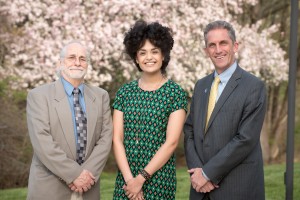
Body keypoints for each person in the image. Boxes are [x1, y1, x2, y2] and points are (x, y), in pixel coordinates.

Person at [184, 20, 267, 200]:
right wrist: (198, 172)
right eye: (212, 45)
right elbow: (189, 130)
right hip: (200, 189)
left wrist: (207, 173)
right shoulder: (201, 86)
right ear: (206, 51)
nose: (218, 50)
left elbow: (245, 139)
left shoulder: (254, 86)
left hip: (237, 187)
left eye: (223, 43)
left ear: (235, 46)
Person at [26, 41, 113, 200]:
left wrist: (87, 174)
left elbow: (106, 137)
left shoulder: (101, 96)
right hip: (50, 187)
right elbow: (42, 141)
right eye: (71, 57)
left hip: (89, 186)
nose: (77, 63)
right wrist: (74, 175)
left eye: (83, 58)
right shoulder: (38, 96)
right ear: (60, 63)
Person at [112, 20, 187, 200]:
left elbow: (171, 142)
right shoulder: (124, 92)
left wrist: (141, 179)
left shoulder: (175, 93)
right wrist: (130, 180)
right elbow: (117, 138)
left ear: (163, 55)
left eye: (154, 51)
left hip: (159, 179)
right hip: (126, 179)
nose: (149, 57)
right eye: (142, 52)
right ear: (136, 58)